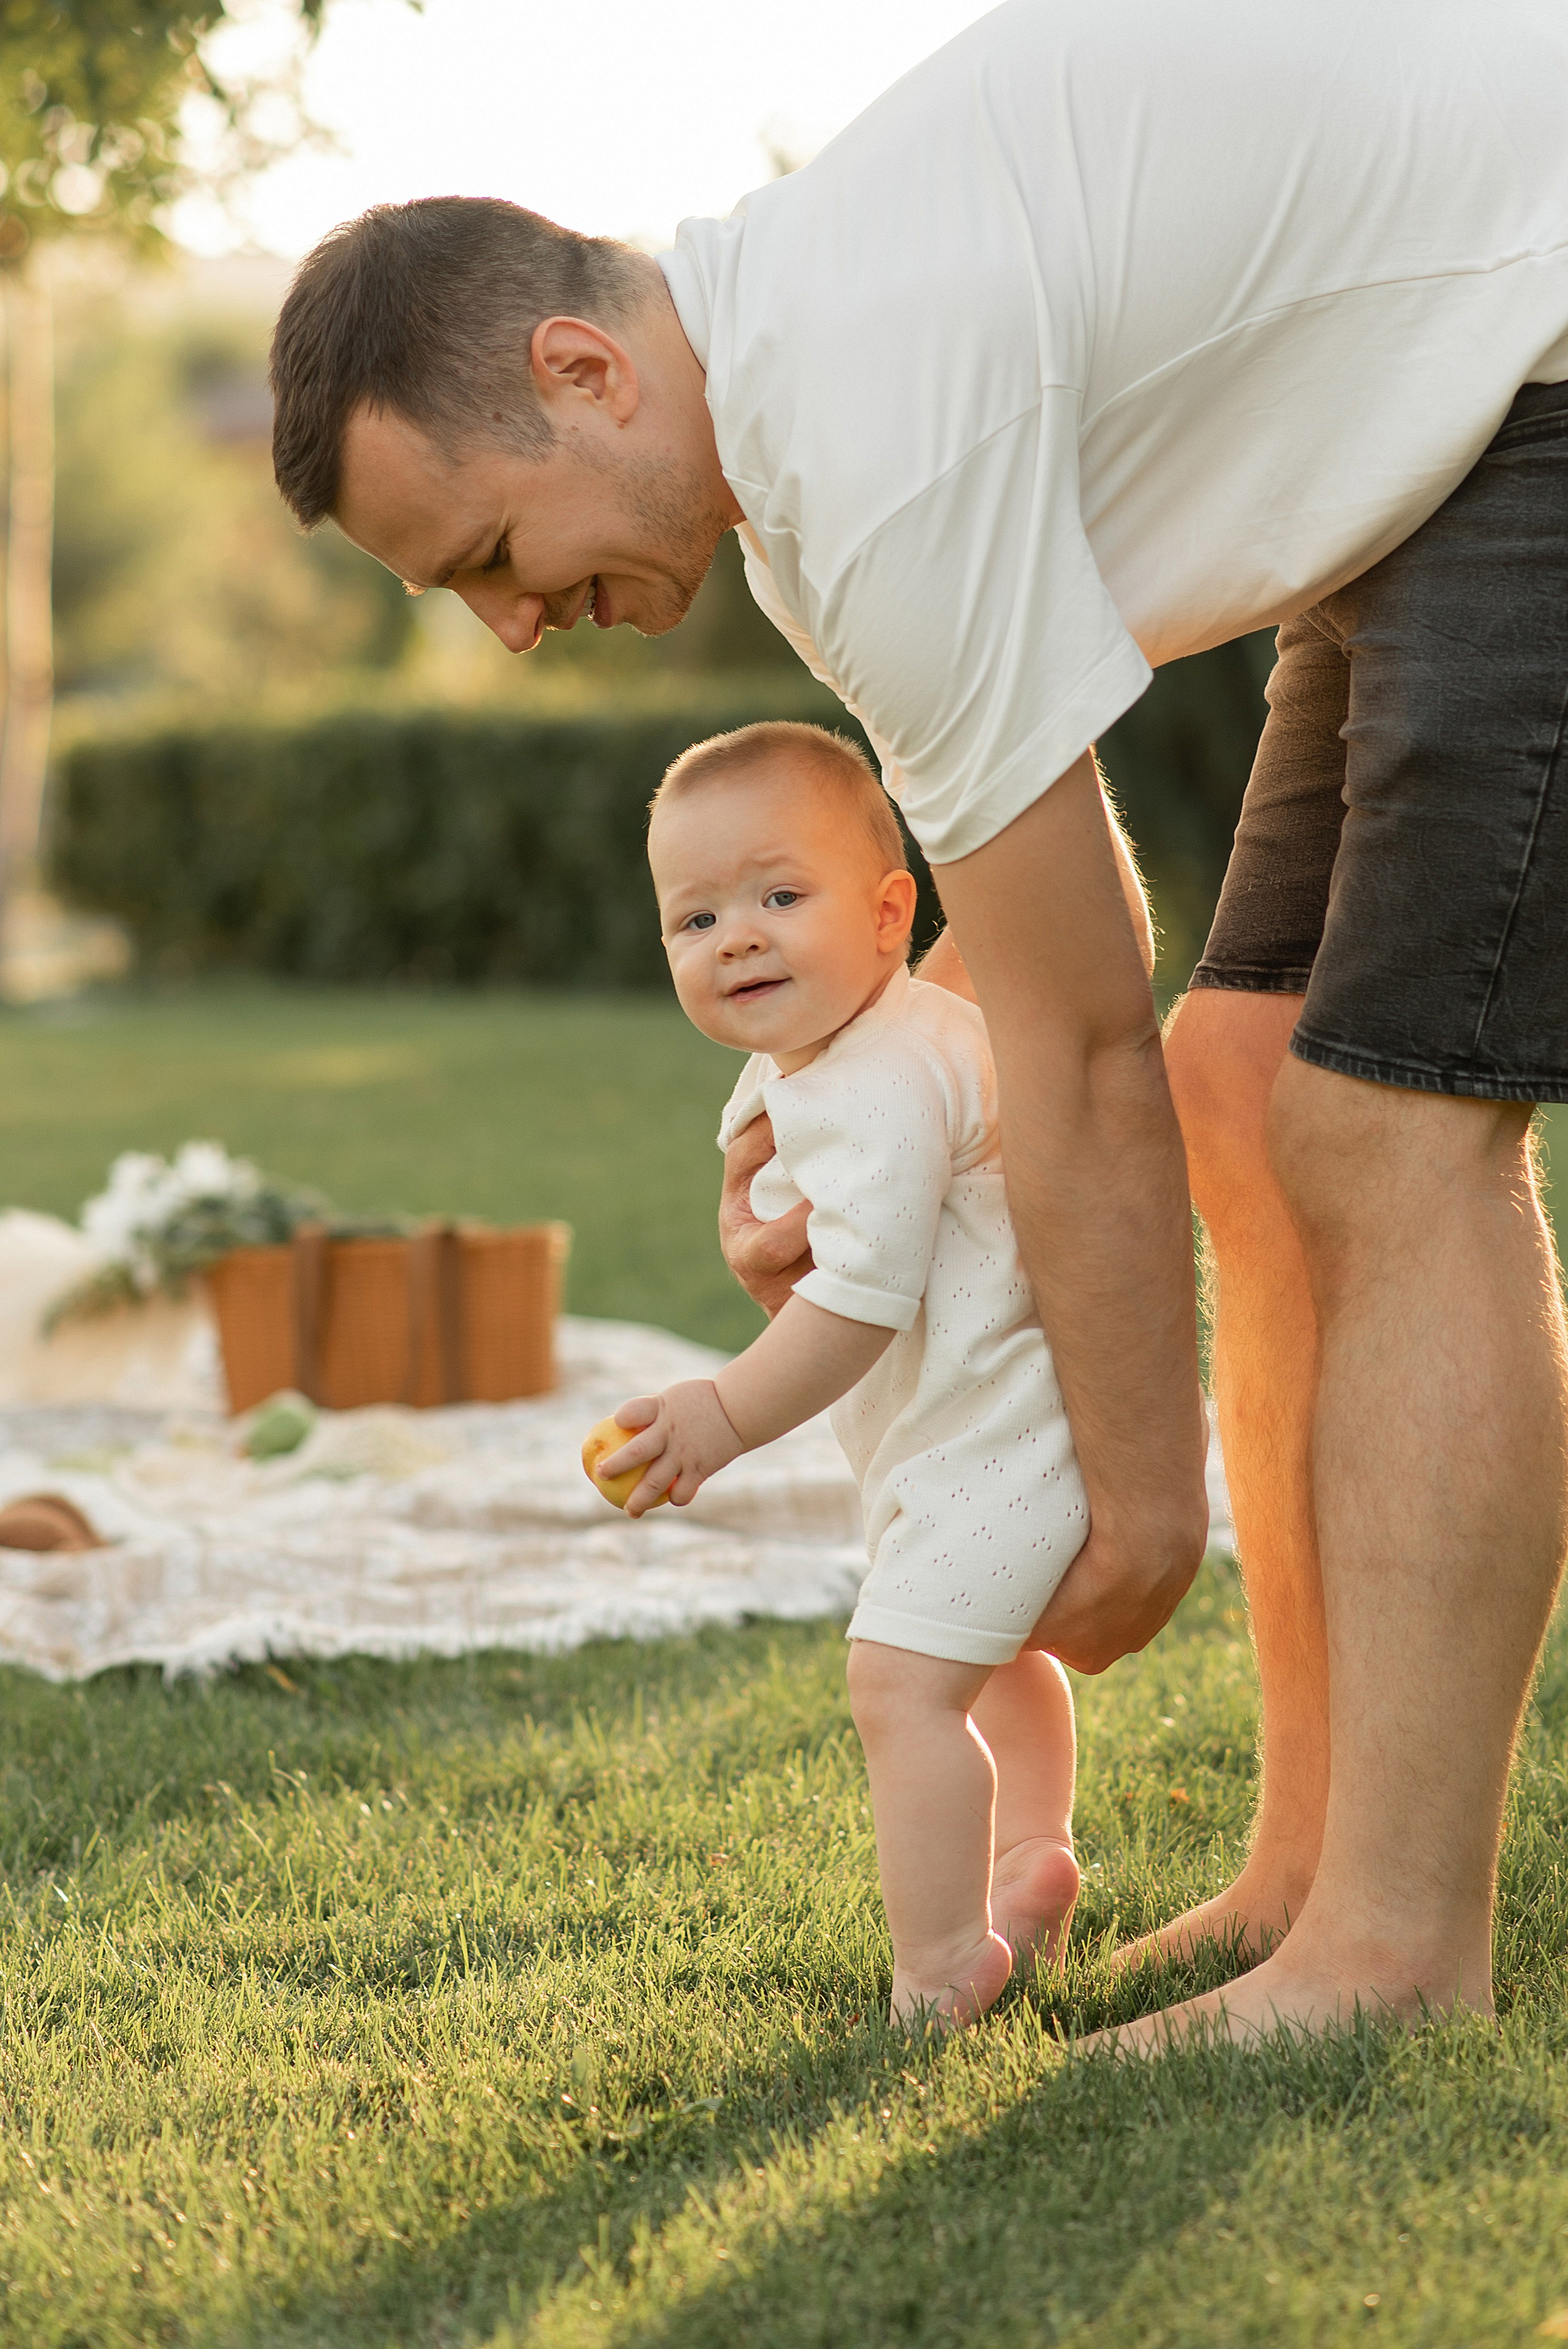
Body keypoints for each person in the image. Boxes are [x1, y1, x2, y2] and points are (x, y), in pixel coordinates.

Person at [268, 0, 1568, 2048]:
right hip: (1451, 400)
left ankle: (1402, 1950)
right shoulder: (795, 425)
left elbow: (1066, 1034)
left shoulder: (860, 427)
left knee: (1387, 1130)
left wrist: (1137, 1509)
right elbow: (996, 939)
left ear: (583, 371)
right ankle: (1312, 1865)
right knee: (1251, 1078)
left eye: (495, 556)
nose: (511, 628)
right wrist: (837, 1116)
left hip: (1540, 323)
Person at [588, 721, 1150, 2023]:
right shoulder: (843, 1052)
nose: (735, 936)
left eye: (780, 897)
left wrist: (721, 1413)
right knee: (986, 1655)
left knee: (898, 1683)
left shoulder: (880, 1078)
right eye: (695, 917)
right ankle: (1032, 1855)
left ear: (889, 912)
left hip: (994, 1440)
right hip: (961, 1432)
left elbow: (861, 1297)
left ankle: (944, 1957)